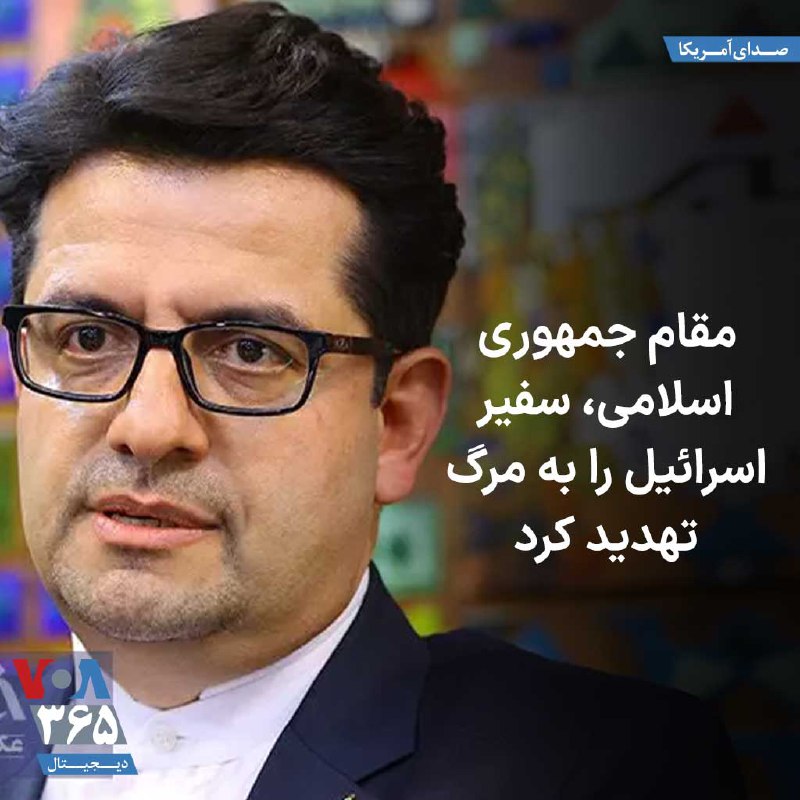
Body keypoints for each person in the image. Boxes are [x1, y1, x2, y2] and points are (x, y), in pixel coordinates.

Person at [0, 3, 744, 798]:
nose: (149, 425)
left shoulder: (598, 768)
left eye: (249, 352)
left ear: (397, 425)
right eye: (86, 337)